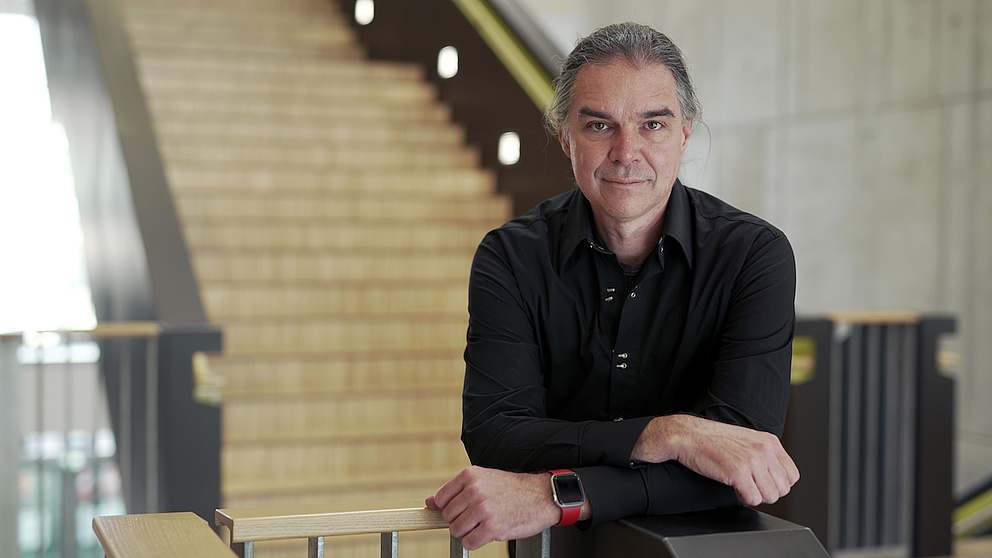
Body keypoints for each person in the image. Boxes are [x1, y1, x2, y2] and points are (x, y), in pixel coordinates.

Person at [426, 22, 800, 551]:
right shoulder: (509, 257)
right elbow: (497, 436)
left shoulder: (754, 256)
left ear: (684, 135)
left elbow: (744, 462)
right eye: (600, 125)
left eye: (653, 125)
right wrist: (667, 435)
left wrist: (560, 495)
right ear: (565, 137)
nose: (627, 152)